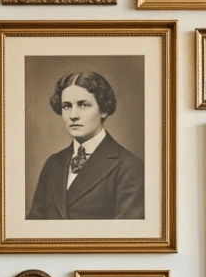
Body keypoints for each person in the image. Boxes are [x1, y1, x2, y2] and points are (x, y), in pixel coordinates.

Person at [27, 71, 144, 220]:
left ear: (104, 109)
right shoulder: (53, 163)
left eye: (83, 105)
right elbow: (34, 224)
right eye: (67, 106)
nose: (73, 115)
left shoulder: (129, 166)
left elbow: (127, 233)